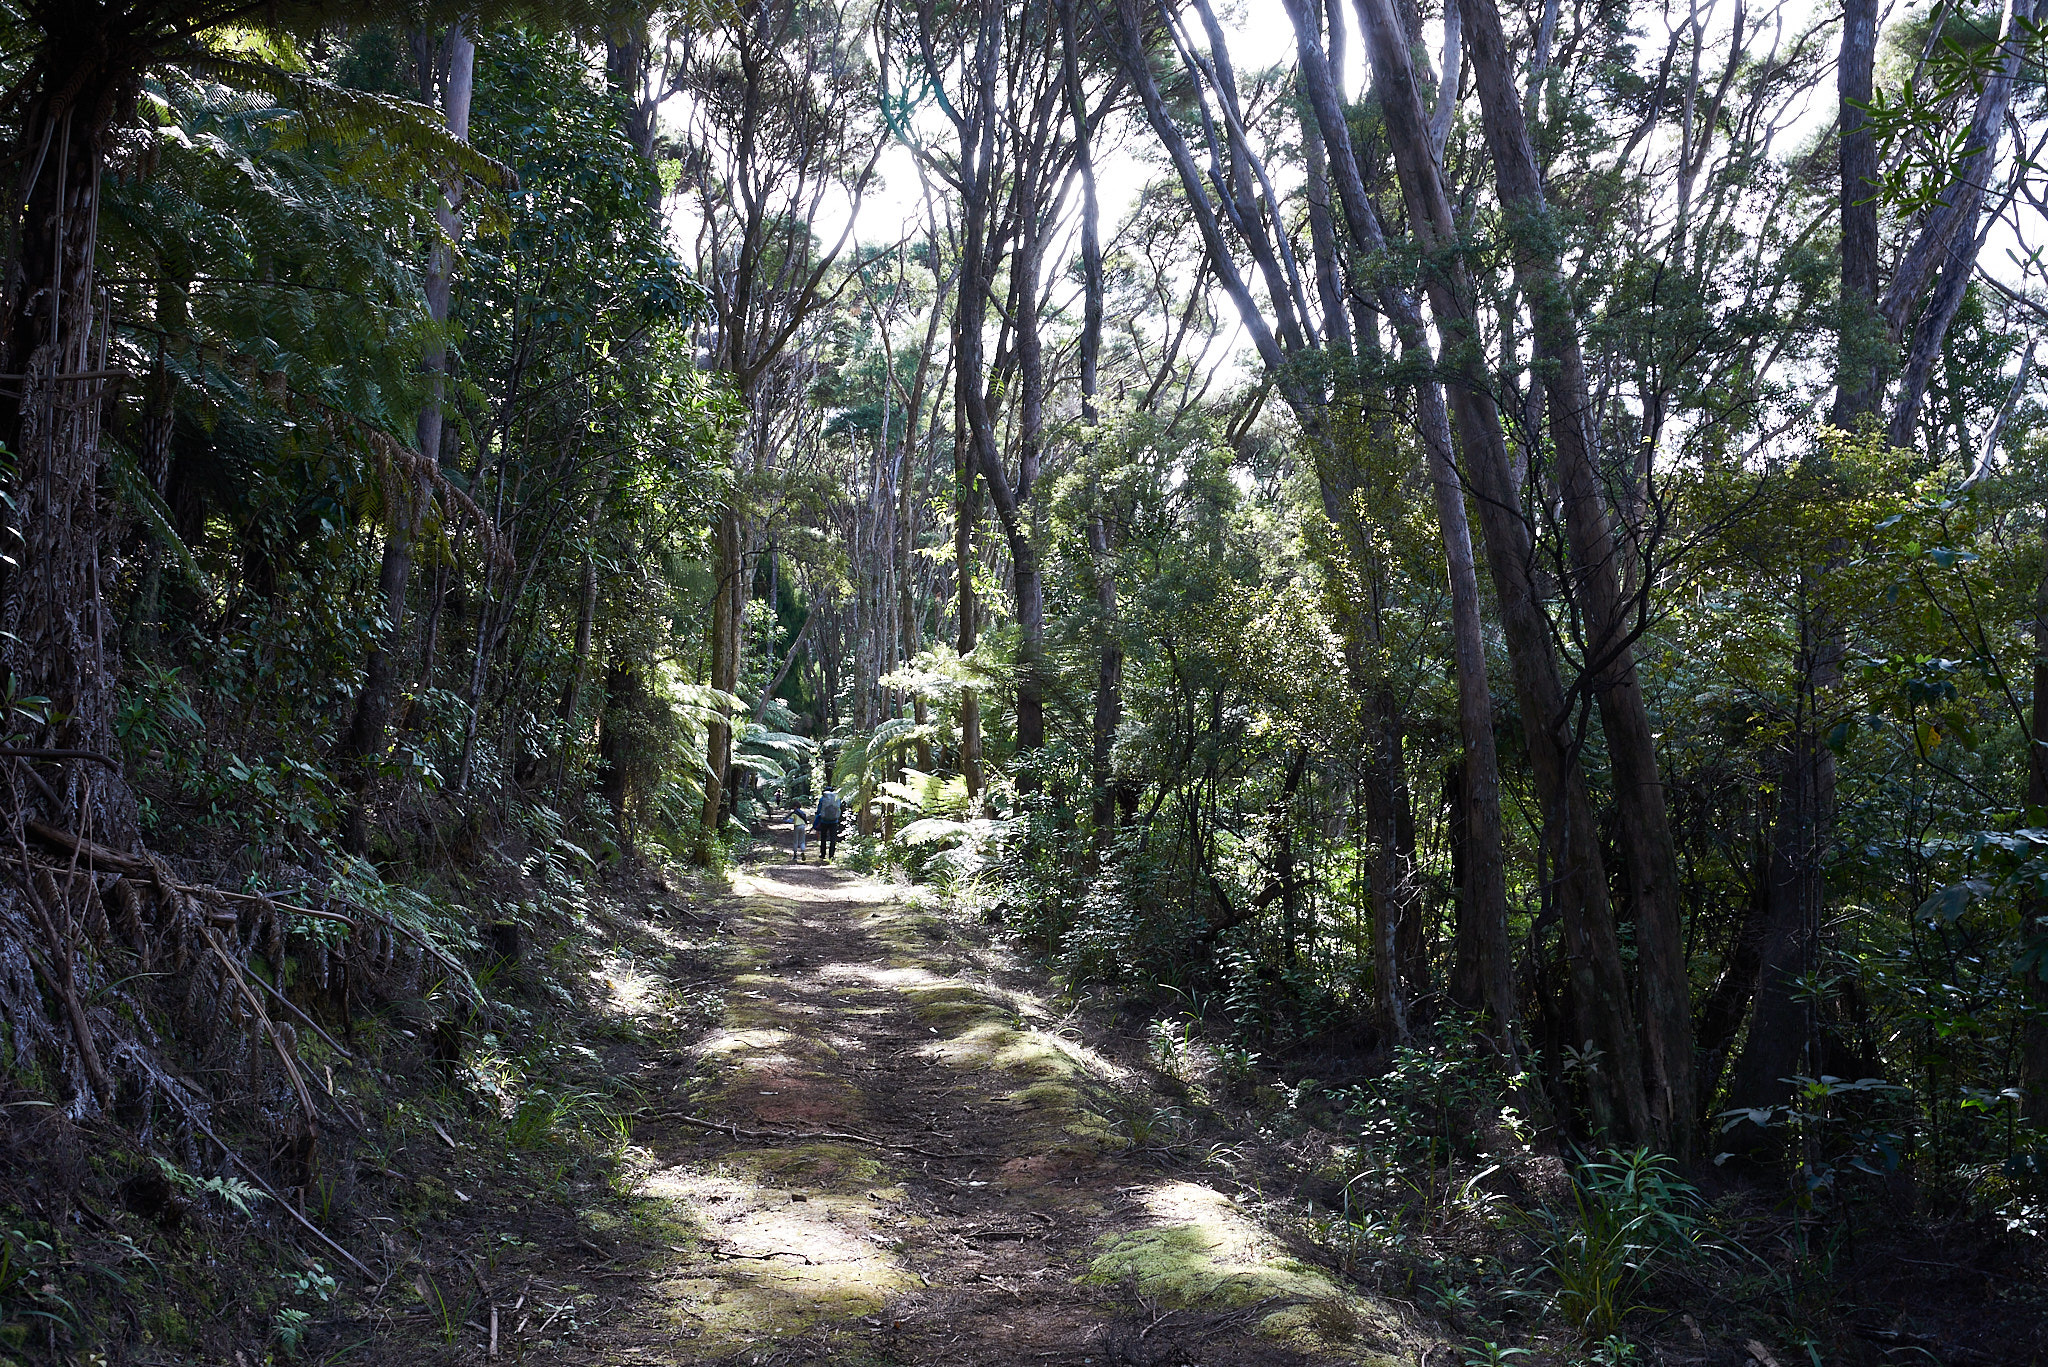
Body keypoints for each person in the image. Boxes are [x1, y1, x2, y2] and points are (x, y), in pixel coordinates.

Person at [813, 784, 843, 863]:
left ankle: (823, 854)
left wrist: (818, 816)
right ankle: (831, 855)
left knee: (823, 838)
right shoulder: (837, 798)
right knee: (833, 838)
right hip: (834, 821)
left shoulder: (823, 799)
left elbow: (819, 810)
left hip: (824, 821)